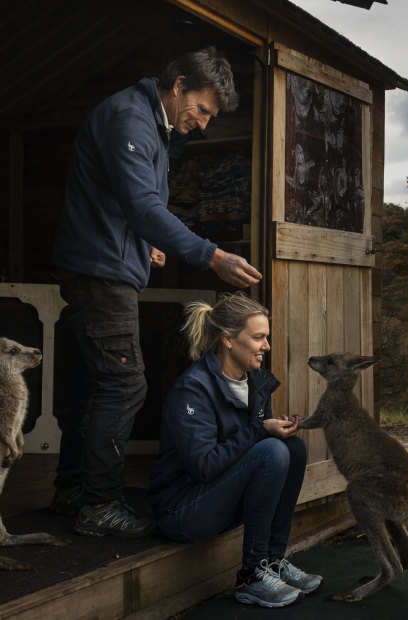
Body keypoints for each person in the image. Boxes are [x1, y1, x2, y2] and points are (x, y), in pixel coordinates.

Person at [49, 47, 262, 537]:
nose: (204, 124)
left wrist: (142, 244)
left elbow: (122, 203)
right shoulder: (130, 118)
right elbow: (143, 206)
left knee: (92, 385)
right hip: (102, 275)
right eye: (202, 110)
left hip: (104, 264)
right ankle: (99, 503)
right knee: (124, 384)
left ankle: (72, 488)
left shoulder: (147, 120)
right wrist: (213, 255)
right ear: (179, 85)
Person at [148, 292, 322, 608]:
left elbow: (252, 445)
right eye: (258, 338)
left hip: (220, 499)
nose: (266, 347)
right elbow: (203, 466)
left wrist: (272, 429)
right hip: (183, 510)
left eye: (266, 337)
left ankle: (273, 561)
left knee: (292, 447)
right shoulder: (192, 390)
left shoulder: (255, 382)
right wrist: (260, 430)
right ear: (228, 340)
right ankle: (251, 576)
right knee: (272, 451)